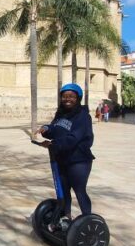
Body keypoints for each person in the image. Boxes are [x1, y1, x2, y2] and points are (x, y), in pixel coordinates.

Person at [34, 83, 95, 230]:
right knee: (63, 190)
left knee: (79, 190)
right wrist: (46, 129)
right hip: (61, 157)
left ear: (78, 98)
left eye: (71, 96)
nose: (67, 99)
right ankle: (65, 218)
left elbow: (74, 138)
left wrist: (54, 145)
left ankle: (88, 222)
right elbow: (55, 128)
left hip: (78, 160)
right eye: (64, 96)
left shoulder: (83, 116)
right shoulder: (60, 113)